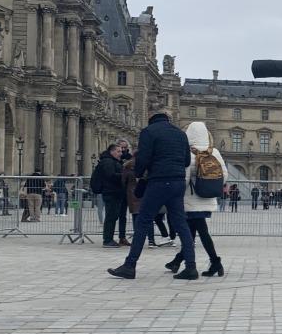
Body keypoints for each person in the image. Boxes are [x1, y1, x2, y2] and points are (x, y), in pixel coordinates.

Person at [108, 112, 197, 280]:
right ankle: (191, 267)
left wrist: (140, 175)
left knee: (143, 221)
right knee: (181, 224)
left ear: (151, 119)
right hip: (178, 182)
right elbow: (186, 161)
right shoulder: (180, 133)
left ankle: (130, 265)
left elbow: (143, 158)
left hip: (159, 181)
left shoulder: (149, 132)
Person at [164, 121, 226, 278]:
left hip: (190, 200)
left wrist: (175, 194)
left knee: (196, 233)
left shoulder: (188, 152)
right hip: (207, 198)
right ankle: (177, 261)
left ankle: (215, 262)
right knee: (193, 232)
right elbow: (224, 176)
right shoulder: (214, 152)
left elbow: (184, 179)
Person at [92, 144, 127, 247]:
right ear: (112, 151)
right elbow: (110, 176)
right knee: (111, 216)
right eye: (118, 151)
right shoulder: (108, 162)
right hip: (111, 192)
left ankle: (109, 239)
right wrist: (125, 175)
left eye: (121, 151)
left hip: (114, 192)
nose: (121, 153)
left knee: (113, 216)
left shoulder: (112, 161)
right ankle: (107, 240)